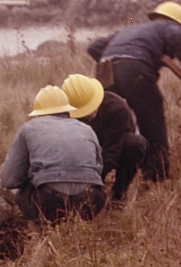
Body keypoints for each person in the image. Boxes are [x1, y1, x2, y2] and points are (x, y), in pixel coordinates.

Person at [87, 1, 181, 182]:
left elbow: (95, 47)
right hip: (134, 70)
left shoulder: (130, 30)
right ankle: (156, 174)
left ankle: (99, 171)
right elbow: (179, 37)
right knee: (152, 122)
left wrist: (116, 60)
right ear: (177, 21)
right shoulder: (168, 26)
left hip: (105, 72)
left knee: (114, 123)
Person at [0, 85, 106, 223]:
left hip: (50, 201)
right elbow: (98, 168)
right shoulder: (87, 129)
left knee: (22, 195)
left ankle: (43, 233)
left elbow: (9, 180)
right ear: (68, 110)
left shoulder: (28, 129)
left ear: (38, 113)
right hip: (91, 199)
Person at [62, 73, 147, 207]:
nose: (89, 114)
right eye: (83, 111)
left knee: (135, 144)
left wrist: (95, 180)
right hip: (86, 151)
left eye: (90, 107)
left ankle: (118, 195)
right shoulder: (65, 116)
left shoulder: (117, 107)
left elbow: (113, 150)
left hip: (114, 146)